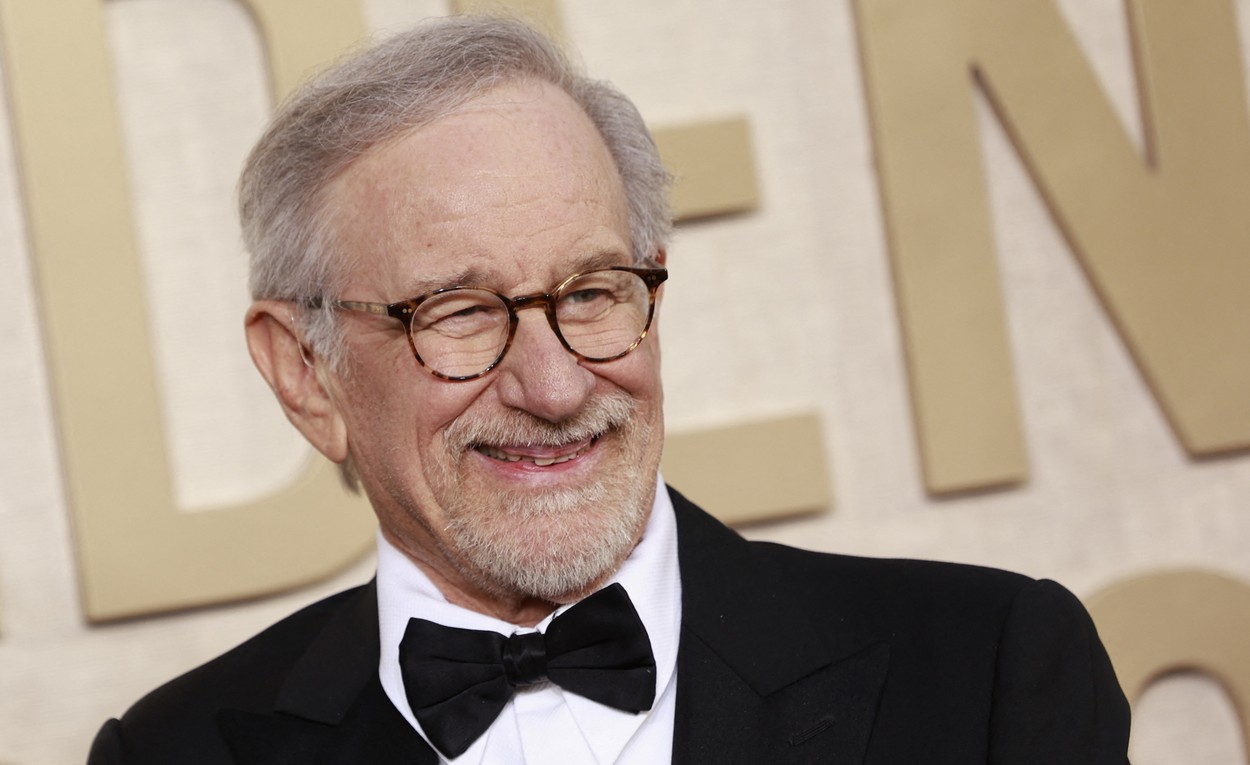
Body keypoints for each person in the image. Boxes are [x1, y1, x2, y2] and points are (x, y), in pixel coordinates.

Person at [89, 14, 1131, 764]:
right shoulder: (175, 752)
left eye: (589, 293)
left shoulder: (986, 672)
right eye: (459, 312)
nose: (552, 386)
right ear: (305, 373)